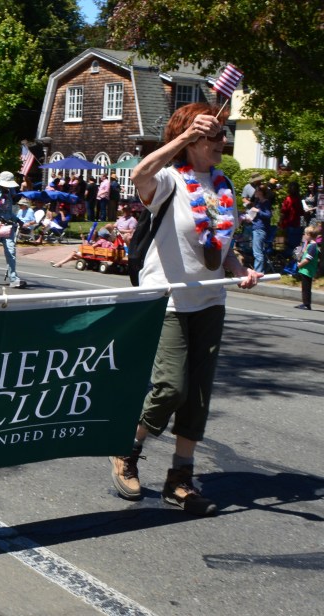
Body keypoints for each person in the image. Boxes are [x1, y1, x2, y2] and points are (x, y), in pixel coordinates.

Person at [108, 102, 261, 516]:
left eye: (221, 135)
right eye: (212, 136)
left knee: (196, 396)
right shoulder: (169, 181)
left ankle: (180, 478)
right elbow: (139, 175)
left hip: (211, 302)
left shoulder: (223, 185)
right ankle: (127, 449)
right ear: (191, 139)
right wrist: (182, 138)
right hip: (169, 301)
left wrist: (240, 269)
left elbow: (221, 245)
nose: (221, 142)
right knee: (170, 388)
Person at [50, 226, 114, 267]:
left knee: (73, 254)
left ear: (96, 235)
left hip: (89, 254)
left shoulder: (98, 241)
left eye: (92, 233)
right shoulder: (92, 240)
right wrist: (83, 239)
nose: (90, 234)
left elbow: (89, 247)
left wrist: (86, 243)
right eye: (90, 233)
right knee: (72, 256)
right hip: (86, 253)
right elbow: (85, 246)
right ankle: (59, 263)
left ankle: (59, 263)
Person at [248, 183, 274, 273]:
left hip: (260, 229)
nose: (255, 192)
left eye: (257, 190)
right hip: (256, 226)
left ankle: (258, 272)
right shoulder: (258, 202)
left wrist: (258, 211)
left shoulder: (266, 203)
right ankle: (260, 270)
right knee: (258, 251)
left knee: (257, 252)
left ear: (261, 192)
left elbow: (268, 215)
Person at [296, 225, 320, 310]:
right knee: (305, 287)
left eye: (305, 234)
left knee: (306, 288)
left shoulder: (313, 246)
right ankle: (305, 303)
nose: (304, 236)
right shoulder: (310, 245)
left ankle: (306, 304)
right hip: (305, 270)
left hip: (307, 270)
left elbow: (308, 259)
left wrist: (300, 265)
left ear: (309, 235)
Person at [279, 181, 304, 252]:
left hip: (288, 225)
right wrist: (302, 225)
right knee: (296, 245)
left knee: (285, 244)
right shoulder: (299, 199)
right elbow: (302, 213)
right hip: (297, 225)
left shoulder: (288, 199)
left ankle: (285, 259)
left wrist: (280, 223)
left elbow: (283, 212)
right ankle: (295, 260)